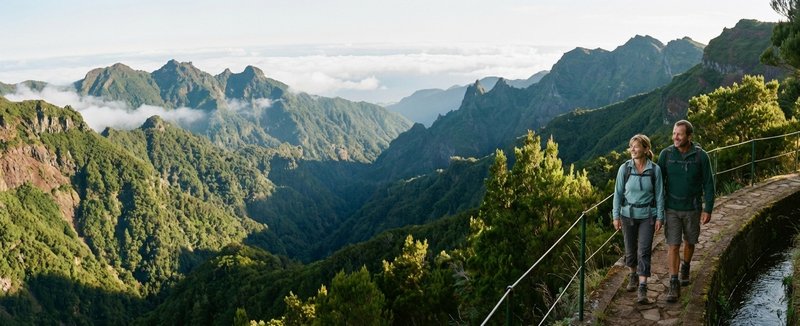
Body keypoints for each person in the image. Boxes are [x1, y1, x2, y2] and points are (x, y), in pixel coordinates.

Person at [657, 119, 715, 303]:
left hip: (693, 208)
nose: (675, 137)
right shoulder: (665, 155)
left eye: (679, 134)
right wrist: (656, 209)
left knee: (690, 242)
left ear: (689, 136)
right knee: (673, 245)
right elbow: (658, 184)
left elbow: (708, 183)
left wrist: (708, 208)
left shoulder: (701, 156)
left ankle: (686, 267)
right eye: (674, 133)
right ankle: (673, 283)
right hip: (672, 208)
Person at [613, 134, 664, 304]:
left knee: (644, 251)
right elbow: (618, 193)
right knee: (629, 250)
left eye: (636, 146)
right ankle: (633, 274)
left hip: (648, 216)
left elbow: (659, 194)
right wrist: (615, 216)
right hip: (627, 215)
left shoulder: (655, 170)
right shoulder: (624, 169)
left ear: (646, 149)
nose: (632, 150)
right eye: (631, 146)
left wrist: (660, 216)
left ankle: (642, 288)